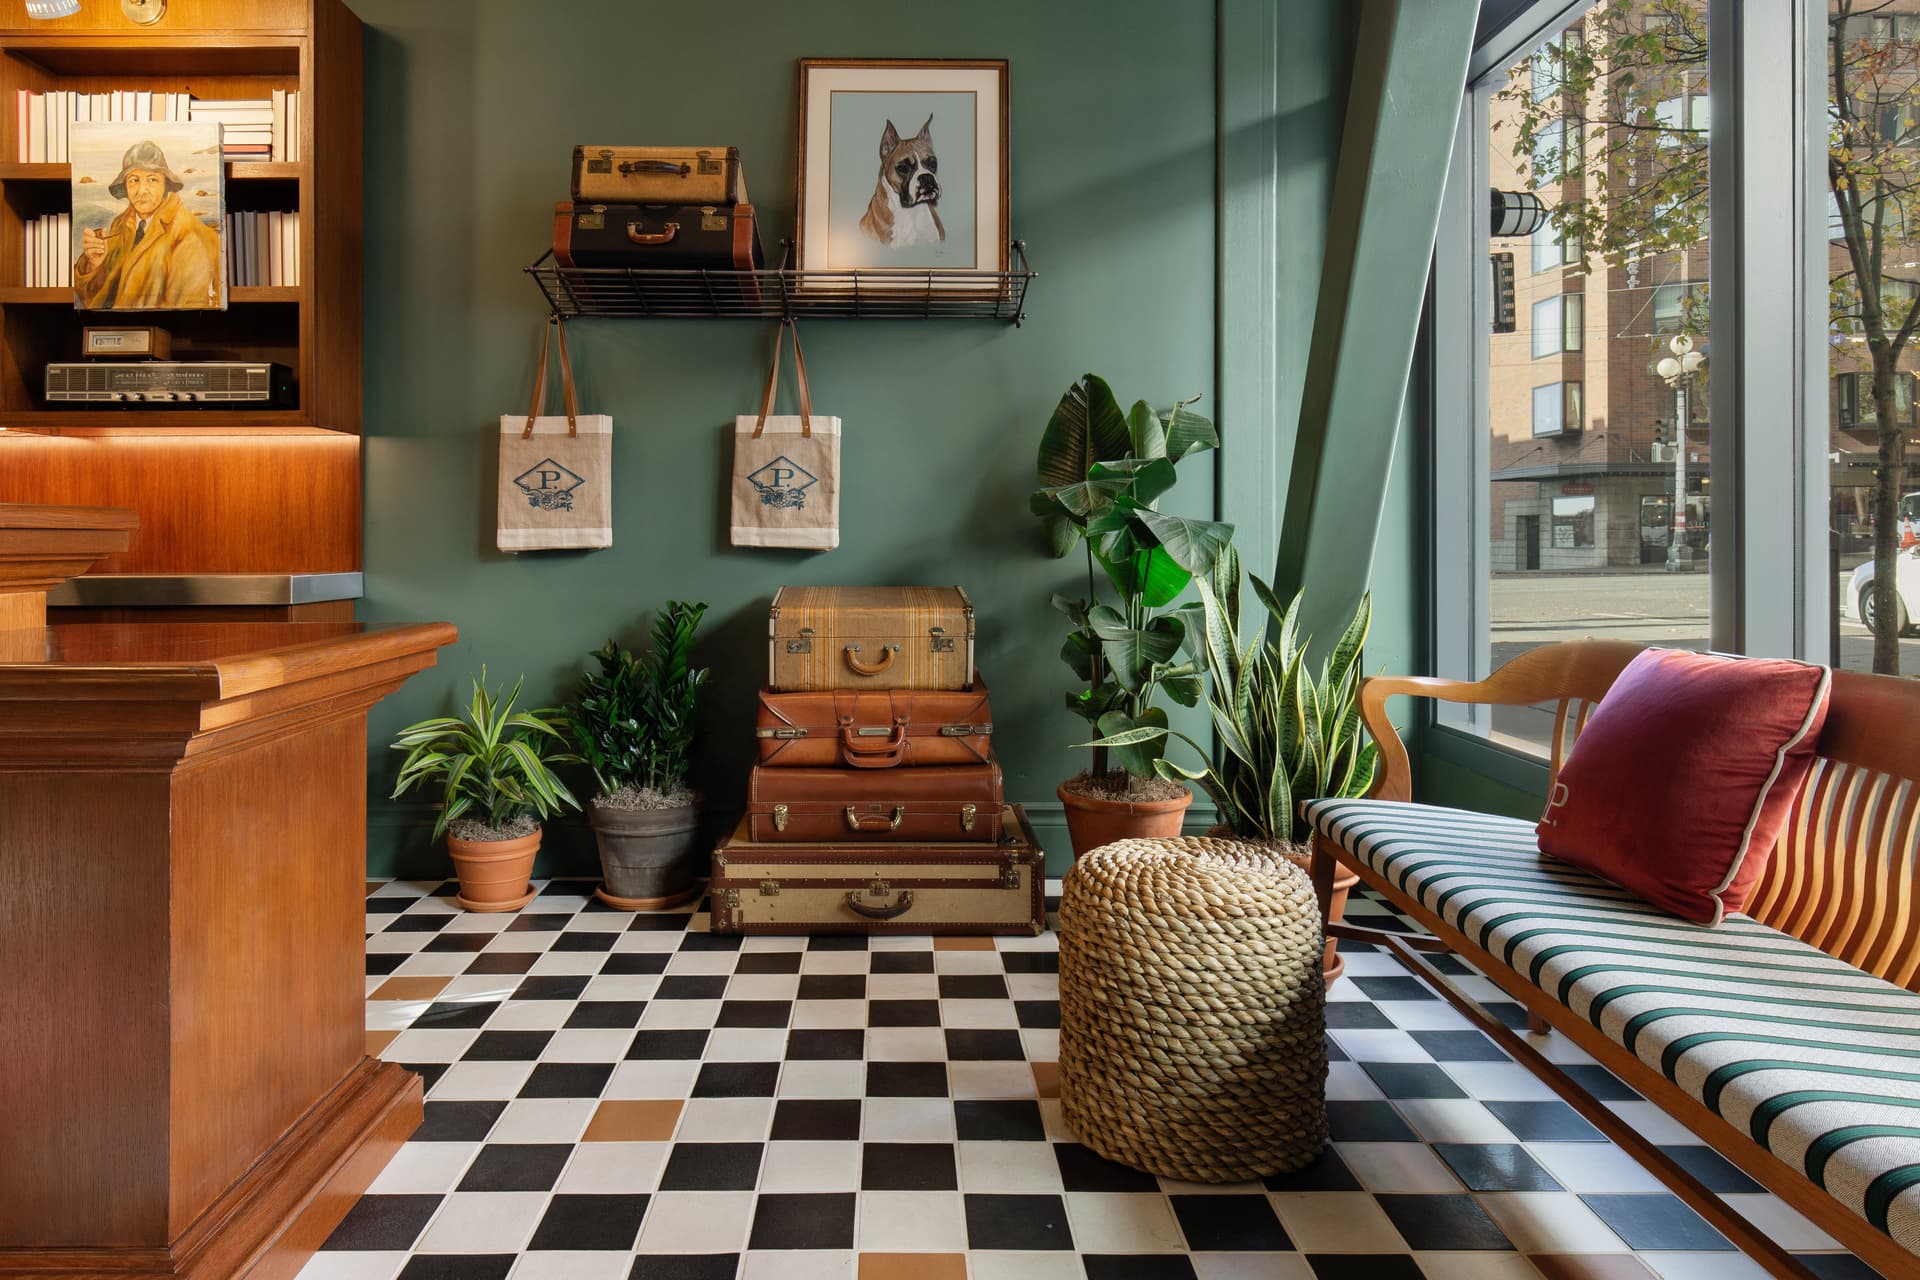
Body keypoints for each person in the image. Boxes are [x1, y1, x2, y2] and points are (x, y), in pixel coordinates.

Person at [74, 140, 222, 310]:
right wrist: (94, 265)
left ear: (166, 184)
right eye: (134, 180)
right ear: (125, 186)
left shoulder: (189, 238)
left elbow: (185, 311)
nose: (141, 190)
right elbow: (97, 302)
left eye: (152, 180)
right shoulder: (121, 225)